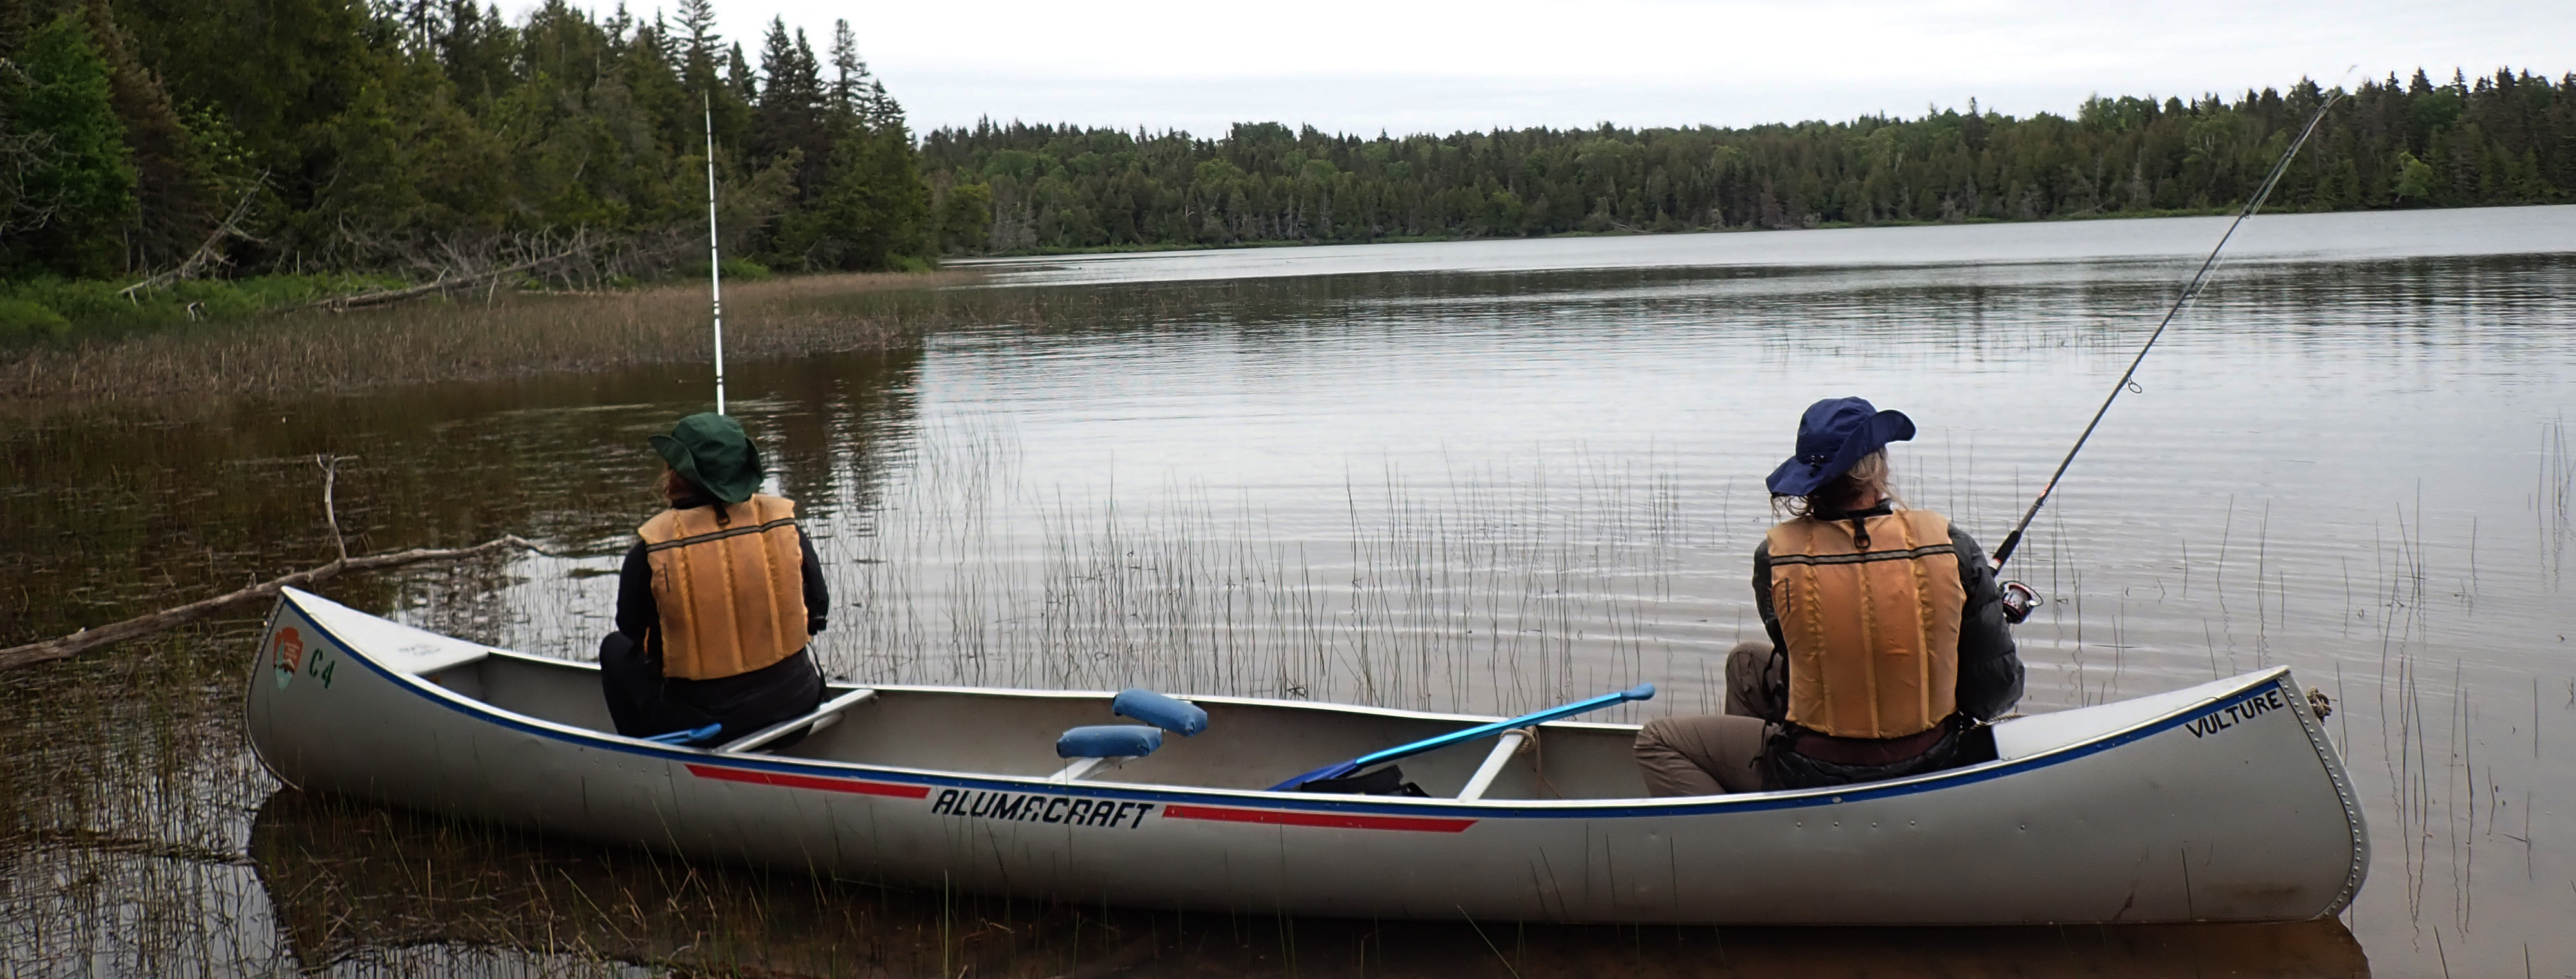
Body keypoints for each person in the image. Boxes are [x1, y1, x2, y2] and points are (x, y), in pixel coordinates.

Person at [1634, 397, 2023, 795]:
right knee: (1746, 664)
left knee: (1657, 740)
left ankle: (1751, 822)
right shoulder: (1951, 546)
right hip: (1935, 756)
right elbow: (1996, 695)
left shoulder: (1776, 557)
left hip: (1815, 768)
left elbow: (1800, 654)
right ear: (1879, 469)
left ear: (1811, 479)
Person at [599, 412, 828, 746]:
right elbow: (818, 609)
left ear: (675, 474)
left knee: (613, 649)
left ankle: (647, 758)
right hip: (799, 709)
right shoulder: (785, 528)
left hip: (708, 729)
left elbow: (632, 631)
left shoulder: (650, 551)